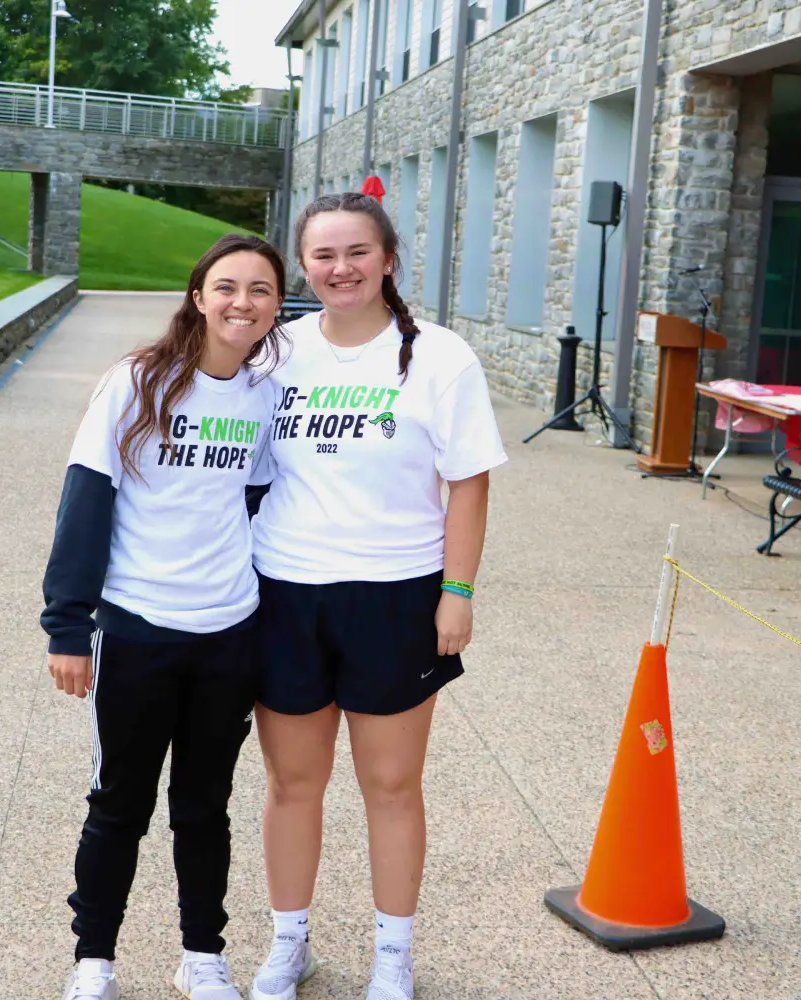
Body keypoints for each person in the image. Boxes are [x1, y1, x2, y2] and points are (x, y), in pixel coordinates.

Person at [247, 193, 507, 1000]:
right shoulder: (275, 350)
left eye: (357, 251)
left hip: (396, 595)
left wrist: (456, 591)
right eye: (323, 255)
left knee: (390, 786)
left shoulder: (440, 357)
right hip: (285, 593)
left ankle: (393, 955)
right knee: (293, 784)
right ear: (304, 265)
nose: (340, 268)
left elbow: (468, 484)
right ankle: (292, 943)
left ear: (388, 258)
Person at [40, 234, 285, 1000]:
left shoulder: (264, 394)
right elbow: (86, 501)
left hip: (227, 633)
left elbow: (251, 500)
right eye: (227, 286)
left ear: (278, 306)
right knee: (120, 804)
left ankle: (202, 955)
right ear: (198, 294)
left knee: (204, 808)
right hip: (138, 630)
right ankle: (94, 961)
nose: (241, 302)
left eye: (261, 290)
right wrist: (69, 626)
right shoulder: (138, 382)